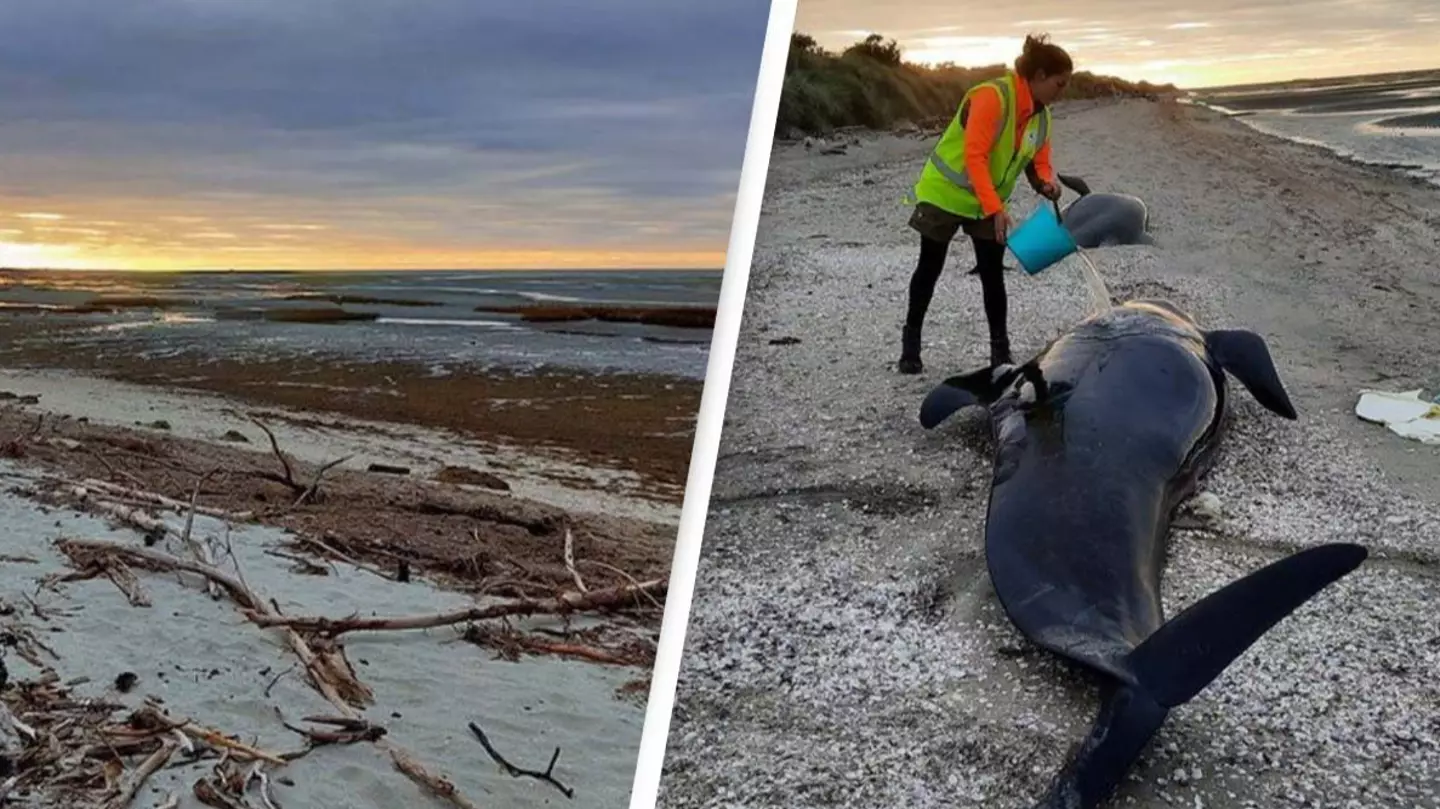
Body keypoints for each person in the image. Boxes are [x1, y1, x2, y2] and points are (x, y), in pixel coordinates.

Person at [898, 34, 1074, 374]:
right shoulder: (992, 97)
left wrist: (1046, 184)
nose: (1061, 92)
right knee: (930, 267)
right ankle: (911, 345)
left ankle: (1000, 353)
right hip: (945, 193)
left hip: (986, 202)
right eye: (1059, 84)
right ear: (1038, 76)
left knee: (993, 274)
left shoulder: (1042, 117)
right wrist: (996, 209)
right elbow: (974, 156)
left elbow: (1036, 161)